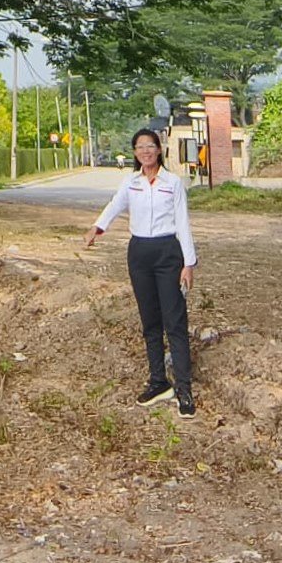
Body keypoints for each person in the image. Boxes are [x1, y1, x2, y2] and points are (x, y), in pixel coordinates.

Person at [83, 128, 198, 416]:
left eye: (150, 146)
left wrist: (188, 263)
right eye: (140, 147)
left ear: (159, 150)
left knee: (174, 321)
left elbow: (183, 223)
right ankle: (158, 381)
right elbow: (115, 205)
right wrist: (97, 228)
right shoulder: (131, 182)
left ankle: (184, 389)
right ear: (135, 153)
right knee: (150, 322)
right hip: (139, 254)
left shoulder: (172, 183)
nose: (146, 151)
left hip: (167, 253)